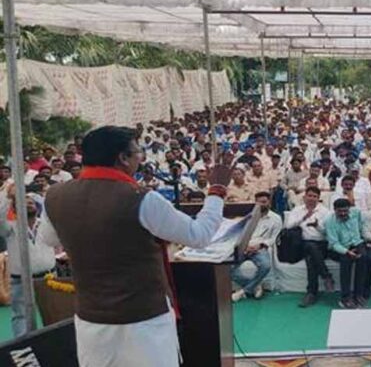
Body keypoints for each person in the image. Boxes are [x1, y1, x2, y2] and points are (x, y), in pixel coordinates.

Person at [37, 126, 230, 367]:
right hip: (144, 322)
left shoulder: (55, 196)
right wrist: (217, 191)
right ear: (123, 158)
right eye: (138, 152)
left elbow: (49, 239)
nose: (141, 158)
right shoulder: (140, 198)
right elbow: (199, 235)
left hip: (91, 320)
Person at [0, 189, 55, 337]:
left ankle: (53, 344)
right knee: (21, 316)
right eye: (23, 202)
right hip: (21, 280)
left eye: (31, 202)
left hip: (49, 277)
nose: (28, 204)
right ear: (14, 208)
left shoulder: (46, 225)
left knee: (52, 313)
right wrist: (7, 196)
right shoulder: (9, 228)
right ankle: (24, 346)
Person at [286, 186, 334, 308]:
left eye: (315, 196)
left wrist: (317, 226)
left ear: (318, 198)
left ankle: (311, 293)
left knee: (311, 258)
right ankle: (326, 276)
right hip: (301, 244)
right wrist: (303, 218)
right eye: (310, 196)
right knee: (309, 247)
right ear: (304, 197)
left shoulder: (325, 212)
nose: (312, 198)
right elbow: (288, 226)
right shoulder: (297, 210)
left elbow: (328, 232)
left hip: (321, 244)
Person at [231, 192, 281, 302]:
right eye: (258, 202)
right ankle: (255, 286)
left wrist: (260, 245)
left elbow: (274, 238)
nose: (261, 205)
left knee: (265, 266)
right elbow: (238, 234)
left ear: (269, 203)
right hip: (244, 247)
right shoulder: (248, 216)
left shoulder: (276, 218)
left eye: (264, 202)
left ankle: (243, 291)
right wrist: (244, 246)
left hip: (260, 248)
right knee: (227, 269)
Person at [325, 198, 369, 309]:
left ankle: (358, 295)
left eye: (345, 211)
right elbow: (334, 243)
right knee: (345, 261)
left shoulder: (356, 212)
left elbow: (360, 226)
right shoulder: (329, 221)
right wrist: (347, 251)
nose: (343, 213)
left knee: (363, 258)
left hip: (356, 243)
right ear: (334, 210)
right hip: (340, 247)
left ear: (349, 209)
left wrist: (358, 243)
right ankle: (345, 298)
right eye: (340, 211)